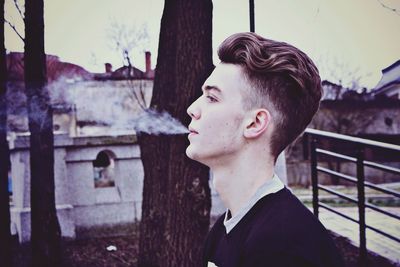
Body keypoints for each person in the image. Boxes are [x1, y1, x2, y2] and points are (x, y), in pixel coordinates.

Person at [186, 32, 345, 267]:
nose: (192, 109)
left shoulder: (285, 249)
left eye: (211, 97)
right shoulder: (224, 229)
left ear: (255, 123)